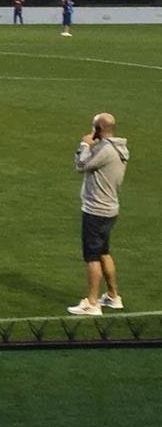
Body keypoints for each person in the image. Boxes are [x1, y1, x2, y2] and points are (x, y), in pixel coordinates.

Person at [67, 113, 130, 316]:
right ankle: (113, 297)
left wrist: (85, 145)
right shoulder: (120, 148)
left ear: (97, 129)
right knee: (103, 252)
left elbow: (81, 165)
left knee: (92, 256)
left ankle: (92, 303)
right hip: (110, 208)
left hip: (96, 209)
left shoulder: (105, 150)